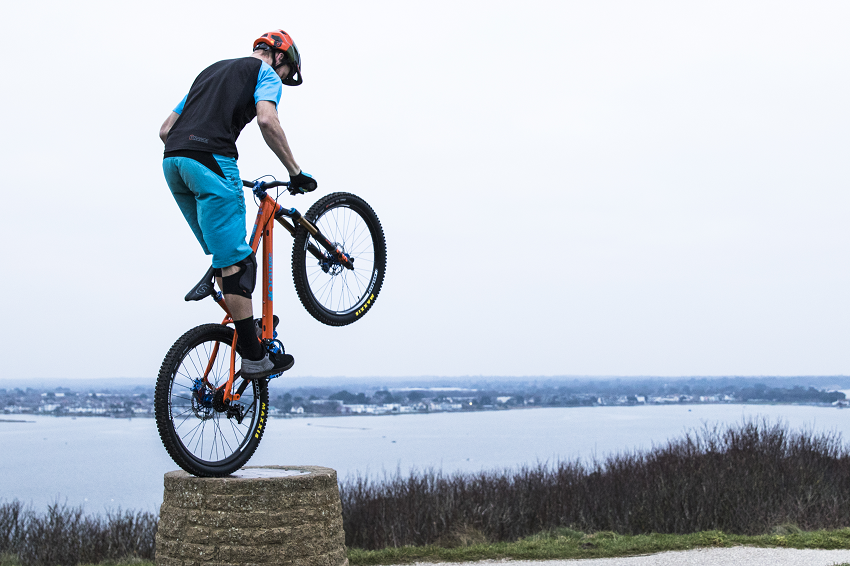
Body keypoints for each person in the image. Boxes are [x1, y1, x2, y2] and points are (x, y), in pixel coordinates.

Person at [159, 29, 317, 379]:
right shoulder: (264, 73)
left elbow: (166, 129)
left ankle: (220, 278)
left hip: (174, 163)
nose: (283, 79)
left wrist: (193, 154)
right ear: (280, 57)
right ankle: (255, 357)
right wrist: (295, 171)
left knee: (227, 254)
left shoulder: (210, 72)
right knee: (240, 264)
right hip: (212, 159)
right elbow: (266, 119)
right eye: (287, 72)